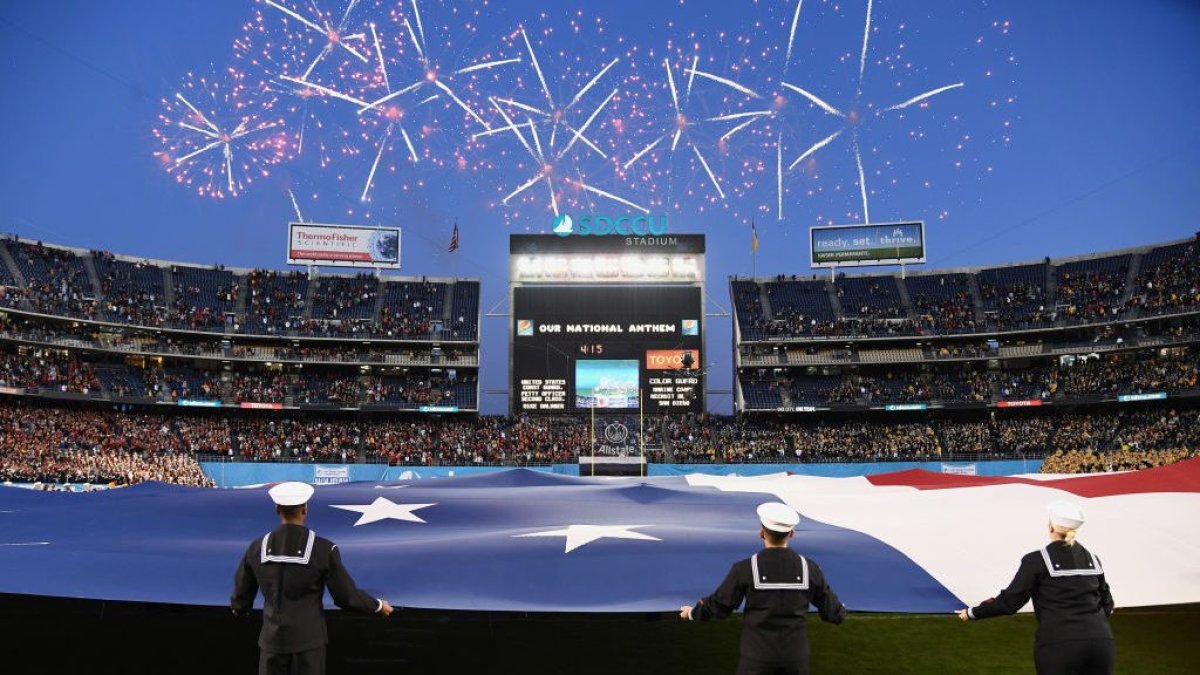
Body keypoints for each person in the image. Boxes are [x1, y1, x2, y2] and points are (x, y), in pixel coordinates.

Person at [231, 481, 395, 675]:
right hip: (308, 643)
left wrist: (239, 608)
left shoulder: (256, 548)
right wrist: (377, 605)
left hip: (271, 642)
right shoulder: (324, 549)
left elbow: (241, 595)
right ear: (304, 510)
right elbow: (346, 598)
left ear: (277, 509)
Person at [679, 502, 846, 675]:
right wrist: (839, 613)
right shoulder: (810, 568)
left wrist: (692, 612)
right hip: (795, 658)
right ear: (791, 533)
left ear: (761, 533)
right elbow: (832, 611)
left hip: (757, 657)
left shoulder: (744, 568)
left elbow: (720, 605)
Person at [957, 500, 1115, 675]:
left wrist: (973, 612)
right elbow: (1107, 603)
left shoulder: (1036, 561)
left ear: (1051, 528)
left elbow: (1010, 602)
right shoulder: (1093, 559)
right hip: (1102, 643)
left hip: (1060, 645)